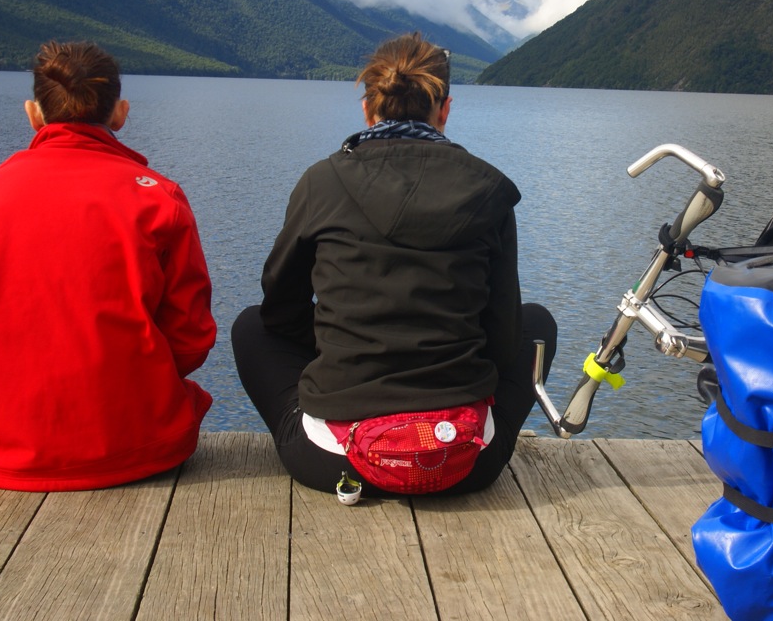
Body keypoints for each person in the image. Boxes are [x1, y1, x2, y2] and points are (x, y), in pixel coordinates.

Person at [232, 32, 557, 496]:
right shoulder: (488, 190)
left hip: (333, 461)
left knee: (249, 327)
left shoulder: (321, 183)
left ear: (368, 108)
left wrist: (340, 348)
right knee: (537, 323)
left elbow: (279, 313)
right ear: (444, 109)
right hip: (463, 462)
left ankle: (339, 427)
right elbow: (504, 341)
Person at [0, 41, 216, 491]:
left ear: (33, 113)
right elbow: (190, 339)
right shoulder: (158, 199)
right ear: (120, 114)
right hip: (131, 442)